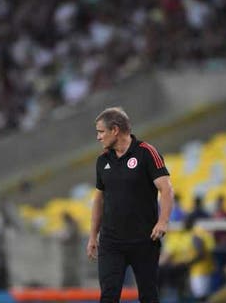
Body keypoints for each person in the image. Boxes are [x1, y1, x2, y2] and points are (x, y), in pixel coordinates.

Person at [87, 107, 174, 303]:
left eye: (101, 132)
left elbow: (166, 189)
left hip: (143, 240)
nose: (98, 137)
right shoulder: (102, 160)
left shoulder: (147, 153)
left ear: (115, 130)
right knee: (108, 295)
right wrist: (93, 235)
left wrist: (163, 222)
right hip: (111, 242)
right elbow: (99, 199)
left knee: (148, 296)